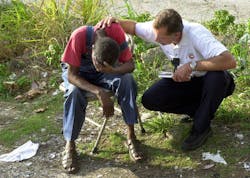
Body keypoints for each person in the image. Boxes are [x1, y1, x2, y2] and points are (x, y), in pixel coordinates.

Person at [98, 8, 236, 151]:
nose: (156, 40)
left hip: (213, 81)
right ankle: (201, 111)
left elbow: (229, 61)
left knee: (217, 77)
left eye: (161, 38)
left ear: (176, 34)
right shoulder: (157, 30)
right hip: (188, 81)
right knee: (150, 99)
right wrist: (114, 21)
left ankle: (201, 127)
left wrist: (192, 66)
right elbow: (133, 27)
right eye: (156, 35)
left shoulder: (196, 34)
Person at [61, 23, 143, 174]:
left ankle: (131, 136)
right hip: (79, 73)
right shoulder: (78, 36)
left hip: (110, 71)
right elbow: (71, 76)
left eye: (102, 66)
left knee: (127, 80)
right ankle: (70, 145)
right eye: (97, 65)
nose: (98, 68)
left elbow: (130, 65)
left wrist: (114, 70)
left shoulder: (116, 33)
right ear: (92, 50)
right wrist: (99, 92)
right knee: (73, 92)